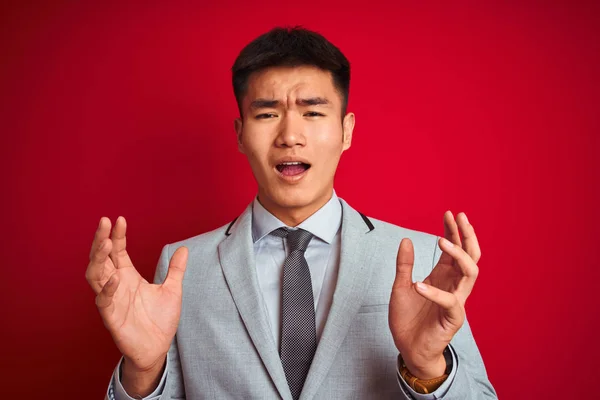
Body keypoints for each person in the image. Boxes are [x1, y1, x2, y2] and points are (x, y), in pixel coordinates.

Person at [86, 27, 497, 400]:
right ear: (240, 134)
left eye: (313, 112)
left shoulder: (421, 259)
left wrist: (428, 369)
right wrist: (142, 372)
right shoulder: (182, 267)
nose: (289, 136)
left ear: (346, 130)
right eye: (266, 114)